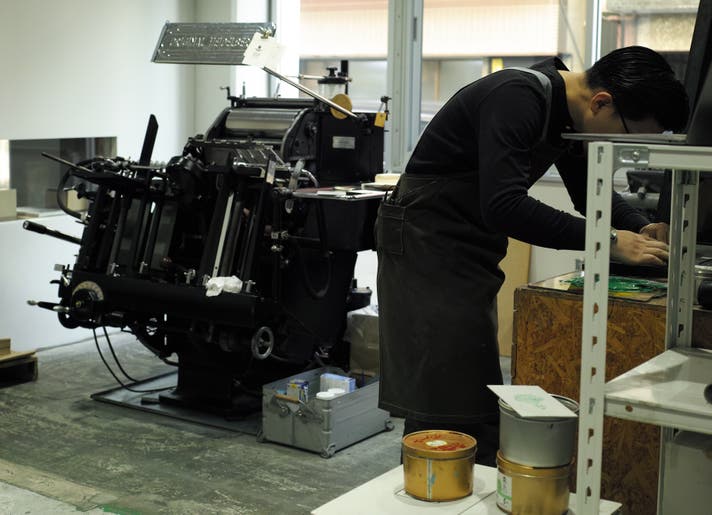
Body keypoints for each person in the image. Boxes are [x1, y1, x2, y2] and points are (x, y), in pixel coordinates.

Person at [375, 46, 689, 467]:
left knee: (462, 386)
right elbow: (504, 206)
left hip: (463, 246)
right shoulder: (516, 97)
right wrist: (609, 239)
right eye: (623, 135)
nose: (615, 147)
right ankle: (433, 485)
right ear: (601, 103)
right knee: (444, 394)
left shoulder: (568, 113)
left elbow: (588, 192)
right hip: (424, 243)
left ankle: (451, 479)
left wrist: (639, 225)